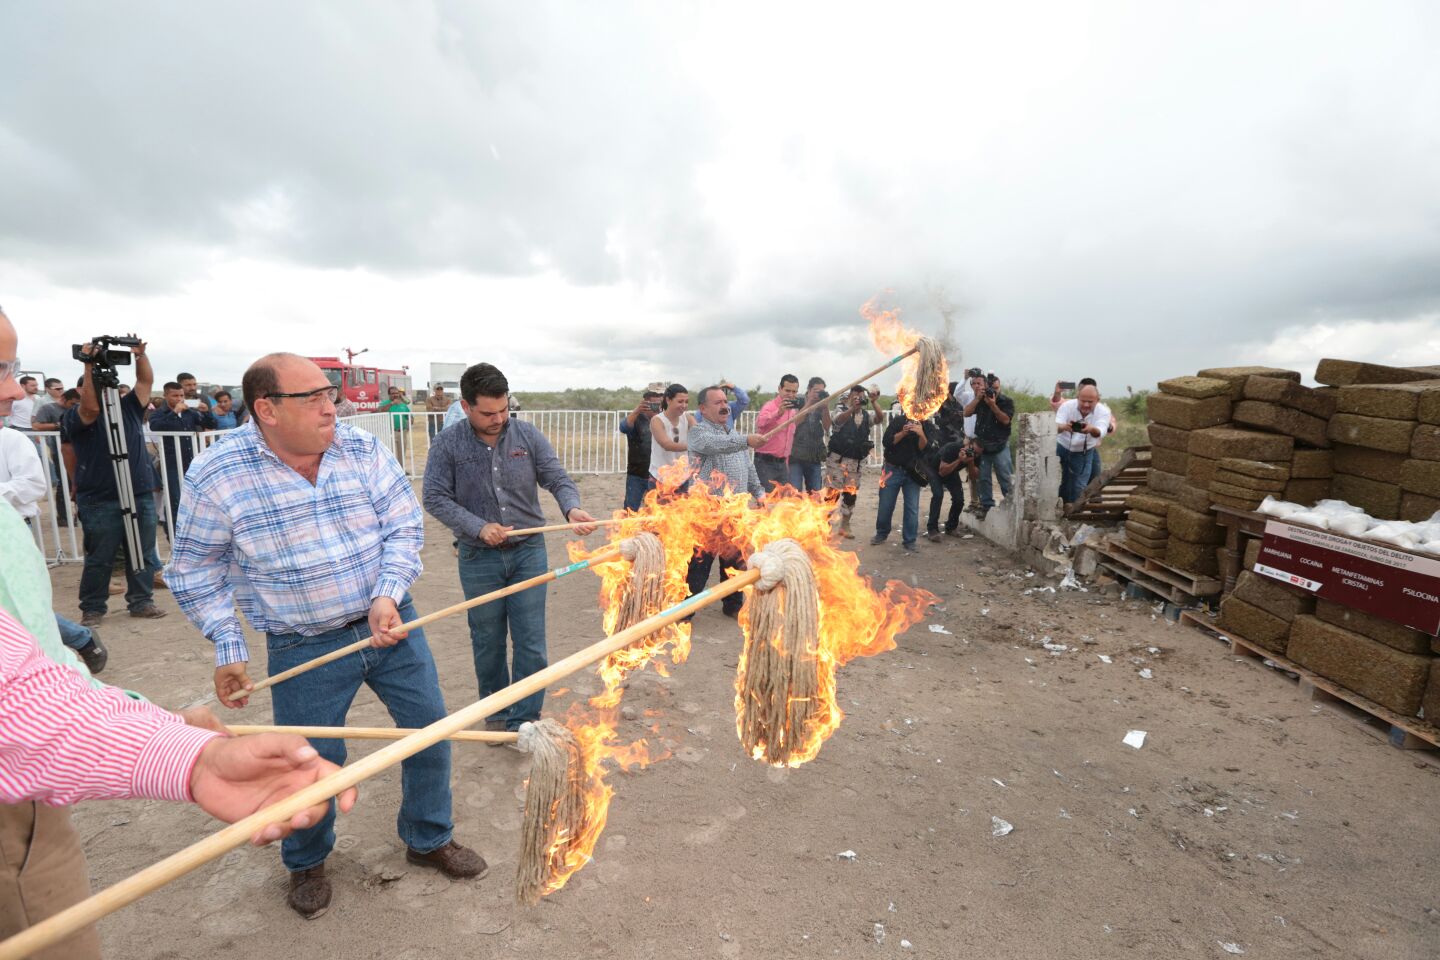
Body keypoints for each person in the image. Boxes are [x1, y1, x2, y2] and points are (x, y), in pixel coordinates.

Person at [167, 352, 484, 918]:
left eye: (329, 392)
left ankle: (428, 837)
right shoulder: (217, 473)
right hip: (301, 641)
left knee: (430, 733)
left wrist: (388, 592)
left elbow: (402, 526)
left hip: (391, 625)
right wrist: (229, 645)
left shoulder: (360, 448)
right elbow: (194, 569)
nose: (330, 405)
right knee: (310, 758)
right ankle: (307, 859)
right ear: (265, 409)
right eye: (311, 396)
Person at [422, 362, 597, 737]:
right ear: (466, 406)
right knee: (487, 640)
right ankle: (497, 712)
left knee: (531, 640)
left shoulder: (528, 436)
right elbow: (434, 497)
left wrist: (572, 507)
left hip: (528, 552)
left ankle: (525, 719)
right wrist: (478, 526)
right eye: (488, 412)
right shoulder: (447, 443)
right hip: (477, 557)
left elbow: (557, 478)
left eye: (504, 409)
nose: (498, 418)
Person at [62, 336, 165, 627]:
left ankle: (142, 601)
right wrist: (89, 366)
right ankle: (93, 608)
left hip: (139, 492)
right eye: (91, 386)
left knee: (142, 551)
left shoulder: (129, 407)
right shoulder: (76, 416)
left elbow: (144, 383)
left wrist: (140, 356)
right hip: (100, 496)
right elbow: (92, 409)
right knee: (100, 556)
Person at [685, 385, 764, 617]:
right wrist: (747, 440)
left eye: (725, 401)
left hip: (735, 511)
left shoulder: (732, 434)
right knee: (700, 564)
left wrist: (758, 491)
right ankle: (684, 611)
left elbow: (748, 466)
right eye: (717, 402)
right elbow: (714, 446)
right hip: (708, 513)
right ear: (703, 408)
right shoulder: (698, 433)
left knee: (735, 562)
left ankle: (732, 606)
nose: (725, 406)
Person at [148, 380, 219, 529]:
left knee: (197, 498)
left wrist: (206, 412)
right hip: (173, 463)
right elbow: (156, 427)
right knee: (176, 501)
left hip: (193, 462)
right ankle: (174, 534)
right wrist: (175, 413)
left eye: (181, 395)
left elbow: (211, 424)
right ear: (166, 395)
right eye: (175, 396)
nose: (179, 399)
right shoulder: (159, 413)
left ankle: (192, 530)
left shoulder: (189, 412)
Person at [823, 385, 882, 539]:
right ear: (849, 396)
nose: (858, 399)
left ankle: (845, 525)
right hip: (837, 460)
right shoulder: (840, 409)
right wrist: (851, 409)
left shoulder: (865, 414)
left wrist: (874, 402)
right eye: (855, 396)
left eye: (861, 396)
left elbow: (879, 419)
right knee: (832, 493)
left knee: (851, 494)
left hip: (855, 462)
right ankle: (826, 524)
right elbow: (837, 421)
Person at [872, 413, 933, 552]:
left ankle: (910, 540)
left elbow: (925, 448)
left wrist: (921, 434)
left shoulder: (926, 424)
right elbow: (887, 442)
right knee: (885, 504)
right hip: (891, 469)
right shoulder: (898, 421)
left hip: (912, 472)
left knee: (912, 507)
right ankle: (881, 533)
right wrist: (903, 433)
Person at [963, 372, 1015, 520]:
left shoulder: (1006, 401)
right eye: (991, 388)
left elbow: (1005, 420)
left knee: (1005, 477)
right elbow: (966, 413)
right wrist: (979, 398)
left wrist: (993, 405)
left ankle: (1011, 506)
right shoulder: (980, 400)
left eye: (997, 388)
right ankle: (986, 507)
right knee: (983, 478)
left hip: (1000, 445)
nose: (994, 391)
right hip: (983, 446)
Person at [1056, 381, 1112, 503]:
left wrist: (1091, 429)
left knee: (1079, 484)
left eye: (1090, 402)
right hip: (1063, 446)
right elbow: (1054, 426)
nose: (1086, 405)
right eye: (1083, 401)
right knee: (1063, 480)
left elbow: (1101, 430)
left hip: (1084, 450)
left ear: (1097, 400)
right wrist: (1065, 427)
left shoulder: (1103, 411)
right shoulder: (1067, 406)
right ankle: (1065, 508)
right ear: (1078, 398)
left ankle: (1076, 512)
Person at [617, 382, 664, 511]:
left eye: (661, 402)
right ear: (646, 402)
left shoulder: (666, 419)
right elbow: (623, 427)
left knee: (656, 512)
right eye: (654, 403)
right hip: (637, 474)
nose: (658, 407)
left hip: (658, 476)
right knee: (630, 511)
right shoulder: (637, 418)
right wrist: (637, 410)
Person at [752, 374, 801, 492]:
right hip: (765, 463)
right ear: (779, 389)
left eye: (794, 391)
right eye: (787, 390)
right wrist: (778, 413)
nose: (791, 394)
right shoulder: (770, 406)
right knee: (767, 501)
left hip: (782, 464)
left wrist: (786, 463)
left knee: (781, 504)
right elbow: (760, 423)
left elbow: (788, 440)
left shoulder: (792, 410)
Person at [927, 436, 976, 540]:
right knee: (938, 495)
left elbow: (973, 477)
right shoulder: (952, 448)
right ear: (967, 445)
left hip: (951, 472)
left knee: (959, 499)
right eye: (970, 449)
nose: (972, 452)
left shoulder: (975, 453)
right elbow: (942, 471)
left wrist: (971, 461)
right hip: (936, 470)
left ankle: (951, 527)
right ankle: (932, 529)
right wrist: (959, 459)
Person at [788, 377, 831, 493]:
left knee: (815, 493)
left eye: (821, 391)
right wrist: (810, 402)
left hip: (814, 455)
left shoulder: (821, 404)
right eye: (816, 390)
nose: (818, 393)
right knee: (795, 493)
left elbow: (827, 427)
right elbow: (794, 423)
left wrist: (825, 407)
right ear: (808, 389)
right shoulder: (798, 401)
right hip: (796, 455)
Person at [648, 383, 692, 492]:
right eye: (680, 401)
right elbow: (666, 445)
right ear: (668, 400)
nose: (684, 405)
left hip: (682, 479)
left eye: (686, 402)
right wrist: (693, 446)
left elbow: (700, 433)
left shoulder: (688, 418)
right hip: (660, 479)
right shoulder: (657, 420)